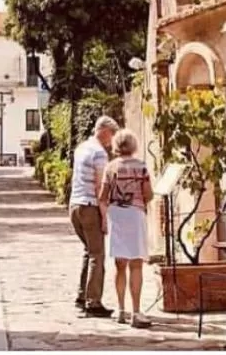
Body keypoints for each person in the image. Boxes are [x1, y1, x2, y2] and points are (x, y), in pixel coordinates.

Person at [99, 128, 154, 328]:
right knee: (136, 264)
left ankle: (121, 309)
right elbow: (148, 194)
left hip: (117, 215)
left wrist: (106, 216)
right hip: (135, 214)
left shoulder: (110, 167)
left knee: (120, 264)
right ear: (134, 145)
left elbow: (102, 196)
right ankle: (136, 311)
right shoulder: (141, 167)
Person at [69, 114, 118, 318]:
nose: (112, 140)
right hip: (90, 207)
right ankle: (93, 301)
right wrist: (105, 216)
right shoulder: (99, 154)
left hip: (75, 205)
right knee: (97, 255)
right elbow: (100, 187)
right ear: (105, 131)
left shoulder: (81, 148)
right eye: (112, 134)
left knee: (88, 251)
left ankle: (82, 296)